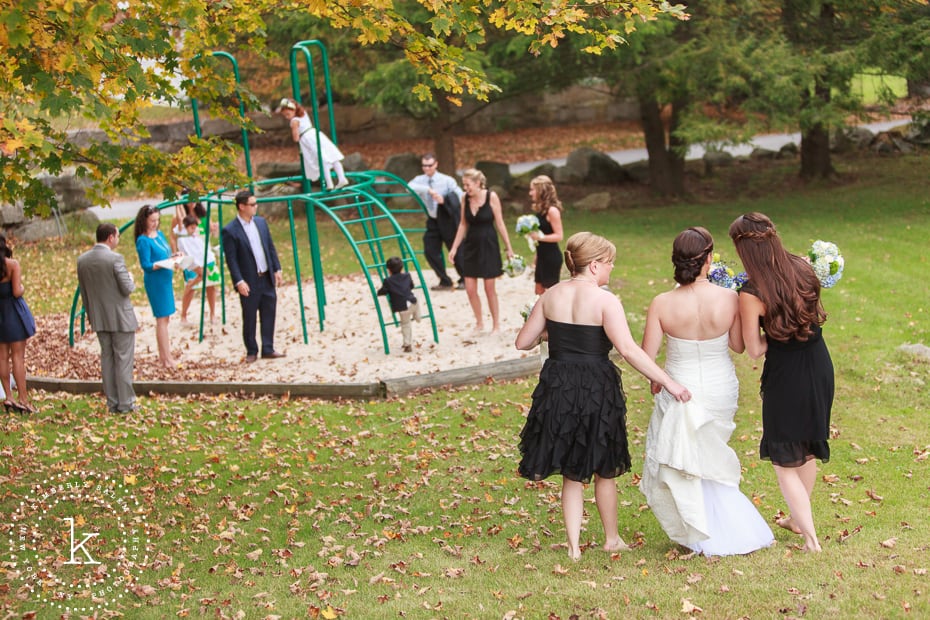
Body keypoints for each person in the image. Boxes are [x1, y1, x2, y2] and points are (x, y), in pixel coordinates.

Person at [515, 232, 692, 561]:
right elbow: (628, 350)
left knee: (571, 469)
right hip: (595, 385)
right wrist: (669, 382)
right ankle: (611, 538)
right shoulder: (605, 301)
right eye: (610, 263)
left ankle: (573, 546)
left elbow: (522, 342)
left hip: (559, 385)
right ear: (594, 265)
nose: (611, 270)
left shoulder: (550, 296)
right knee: (603, 465)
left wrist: (551, 329)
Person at [639, 227, 774, 556]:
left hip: (680, 385)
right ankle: (719, 529)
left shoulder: (662, 303)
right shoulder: (729, 298)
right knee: (710, 454)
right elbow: (738, 346)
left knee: (684, 458)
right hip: (718, 385)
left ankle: (698, 530)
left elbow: (646, 355)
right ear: (709, 259)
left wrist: (659, 380)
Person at [729, 212, 834, 553]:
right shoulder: (804, 267)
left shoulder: (751, 291)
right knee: (806, 448)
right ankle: (797, 517)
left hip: (786, 375)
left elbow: (753, 349)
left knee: (784, 459)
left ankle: (811, 539)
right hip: (819, 364)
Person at [76, 223, 139, 413]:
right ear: (111, 237)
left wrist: (90, 314)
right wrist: (131, 278)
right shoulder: (115, 259)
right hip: (120, 317)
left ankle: (112, 402)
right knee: (123, 360)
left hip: (99, 317)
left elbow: (84, 292)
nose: (118, 240)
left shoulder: (83, 260)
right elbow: (126, 288)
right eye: (118, 236)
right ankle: (126, 403)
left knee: (107, 359)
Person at [448, 168, 515, 333]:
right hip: (470, 246)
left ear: (478, 183)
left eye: (468, 185)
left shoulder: (491, 197)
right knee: (470, 289)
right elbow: (463, 224)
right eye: (464, 185)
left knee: (489, 288)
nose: (466, 188)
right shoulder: (465, 198)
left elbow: (500, 223)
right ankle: (479, 323)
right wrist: (454, 248)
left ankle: (496, 324)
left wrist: (508, 247)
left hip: (489, 245)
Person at [222, 190, 285, 363]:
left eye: (256, 203)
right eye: (252, 204)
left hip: (266, 276)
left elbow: (269, 247)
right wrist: (239, 281)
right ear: (242, 206)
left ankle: (268, 347)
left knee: (269, 312)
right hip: (249, 280)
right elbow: (231, 259)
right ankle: (251, 350)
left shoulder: (261, 223)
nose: (255, 207)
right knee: (249, 316)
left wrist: (276, 268)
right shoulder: (230, 230)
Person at [408, 153, 465, 291]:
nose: (427, 168)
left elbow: (459, 195)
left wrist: (444, 200)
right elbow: (408, 187)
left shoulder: (446, 180)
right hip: (433, 219)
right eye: (424, 166)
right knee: (430, 250)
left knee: (455, 249)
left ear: (436, 164)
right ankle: (445, 280)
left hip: (447, 218)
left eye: (430, 165)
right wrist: (428, 190)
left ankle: (464, 278)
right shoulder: (420, 180)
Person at [134, 204, 178, 369]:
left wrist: (174, 257)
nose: (155, 223)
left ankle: (166, 356)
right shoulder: (143, 240)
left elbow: (165, 253)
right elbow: (146, 265)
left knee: (166, 318)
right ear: (144, 220)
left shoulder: (158, 235)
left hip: (165, 279)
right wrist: (164, 263)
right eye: (152, 220)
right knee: (161, 318)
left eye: (157, 220)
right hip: (156, 282)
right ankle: (166, 358)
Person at [276, 97, 350, 190]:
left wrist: (294, 131)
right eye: (285, 115)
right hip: (315, 133)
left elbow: (296, 138)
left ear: (293, 110)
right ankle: (342, 178)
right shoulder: (303, 113)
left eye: (288, 114)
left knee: (322, 159)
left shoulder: (294, 121)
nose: (287, 117)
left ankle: (329, 184)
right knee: (331, 155)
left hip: (307, 139)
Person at [0, 234, 37, 413]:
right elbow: (16, 291)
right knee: (18, 357)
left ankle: (8, 397)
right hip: (12, 313)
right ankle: (23, 399)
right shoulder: (12, 265)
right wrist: (22, 288)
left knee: (2, 357)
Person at [177, 215, 219, 325]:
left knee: (209, 283)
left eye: (195, 227)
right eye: (192, 227)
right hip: (192, 262)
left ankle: (212, 313)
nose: (194, 229)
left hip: (201, 260)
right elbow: (179, 215)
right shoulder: (182, 235)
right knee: (192, 286)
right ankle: (184, 315)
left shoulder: (195, 235)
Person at [527, 175, 564, 294]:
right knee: (538, 291)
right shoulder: (540, 210)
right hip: (542, 256)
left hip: (551, 258)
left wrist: (539, 237)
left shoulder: (552, 211)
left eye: (532, 189)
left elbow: (559, 235)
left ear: (540, 190)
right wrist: (536, 256)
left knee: (550, 294)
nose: (530, 193)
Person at [377, 256, 420, 353]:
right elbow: (412, 286)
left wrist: (378, 292)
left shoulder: (388, 281)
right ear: (402, 268)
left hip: (402, 308)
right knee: (416, 299)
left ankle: (407, 344)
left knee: (405, 324)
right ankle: (417, 316)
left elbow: (383, 291)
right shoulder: (407, 275)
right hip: (412, 302)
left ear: (388, 270)